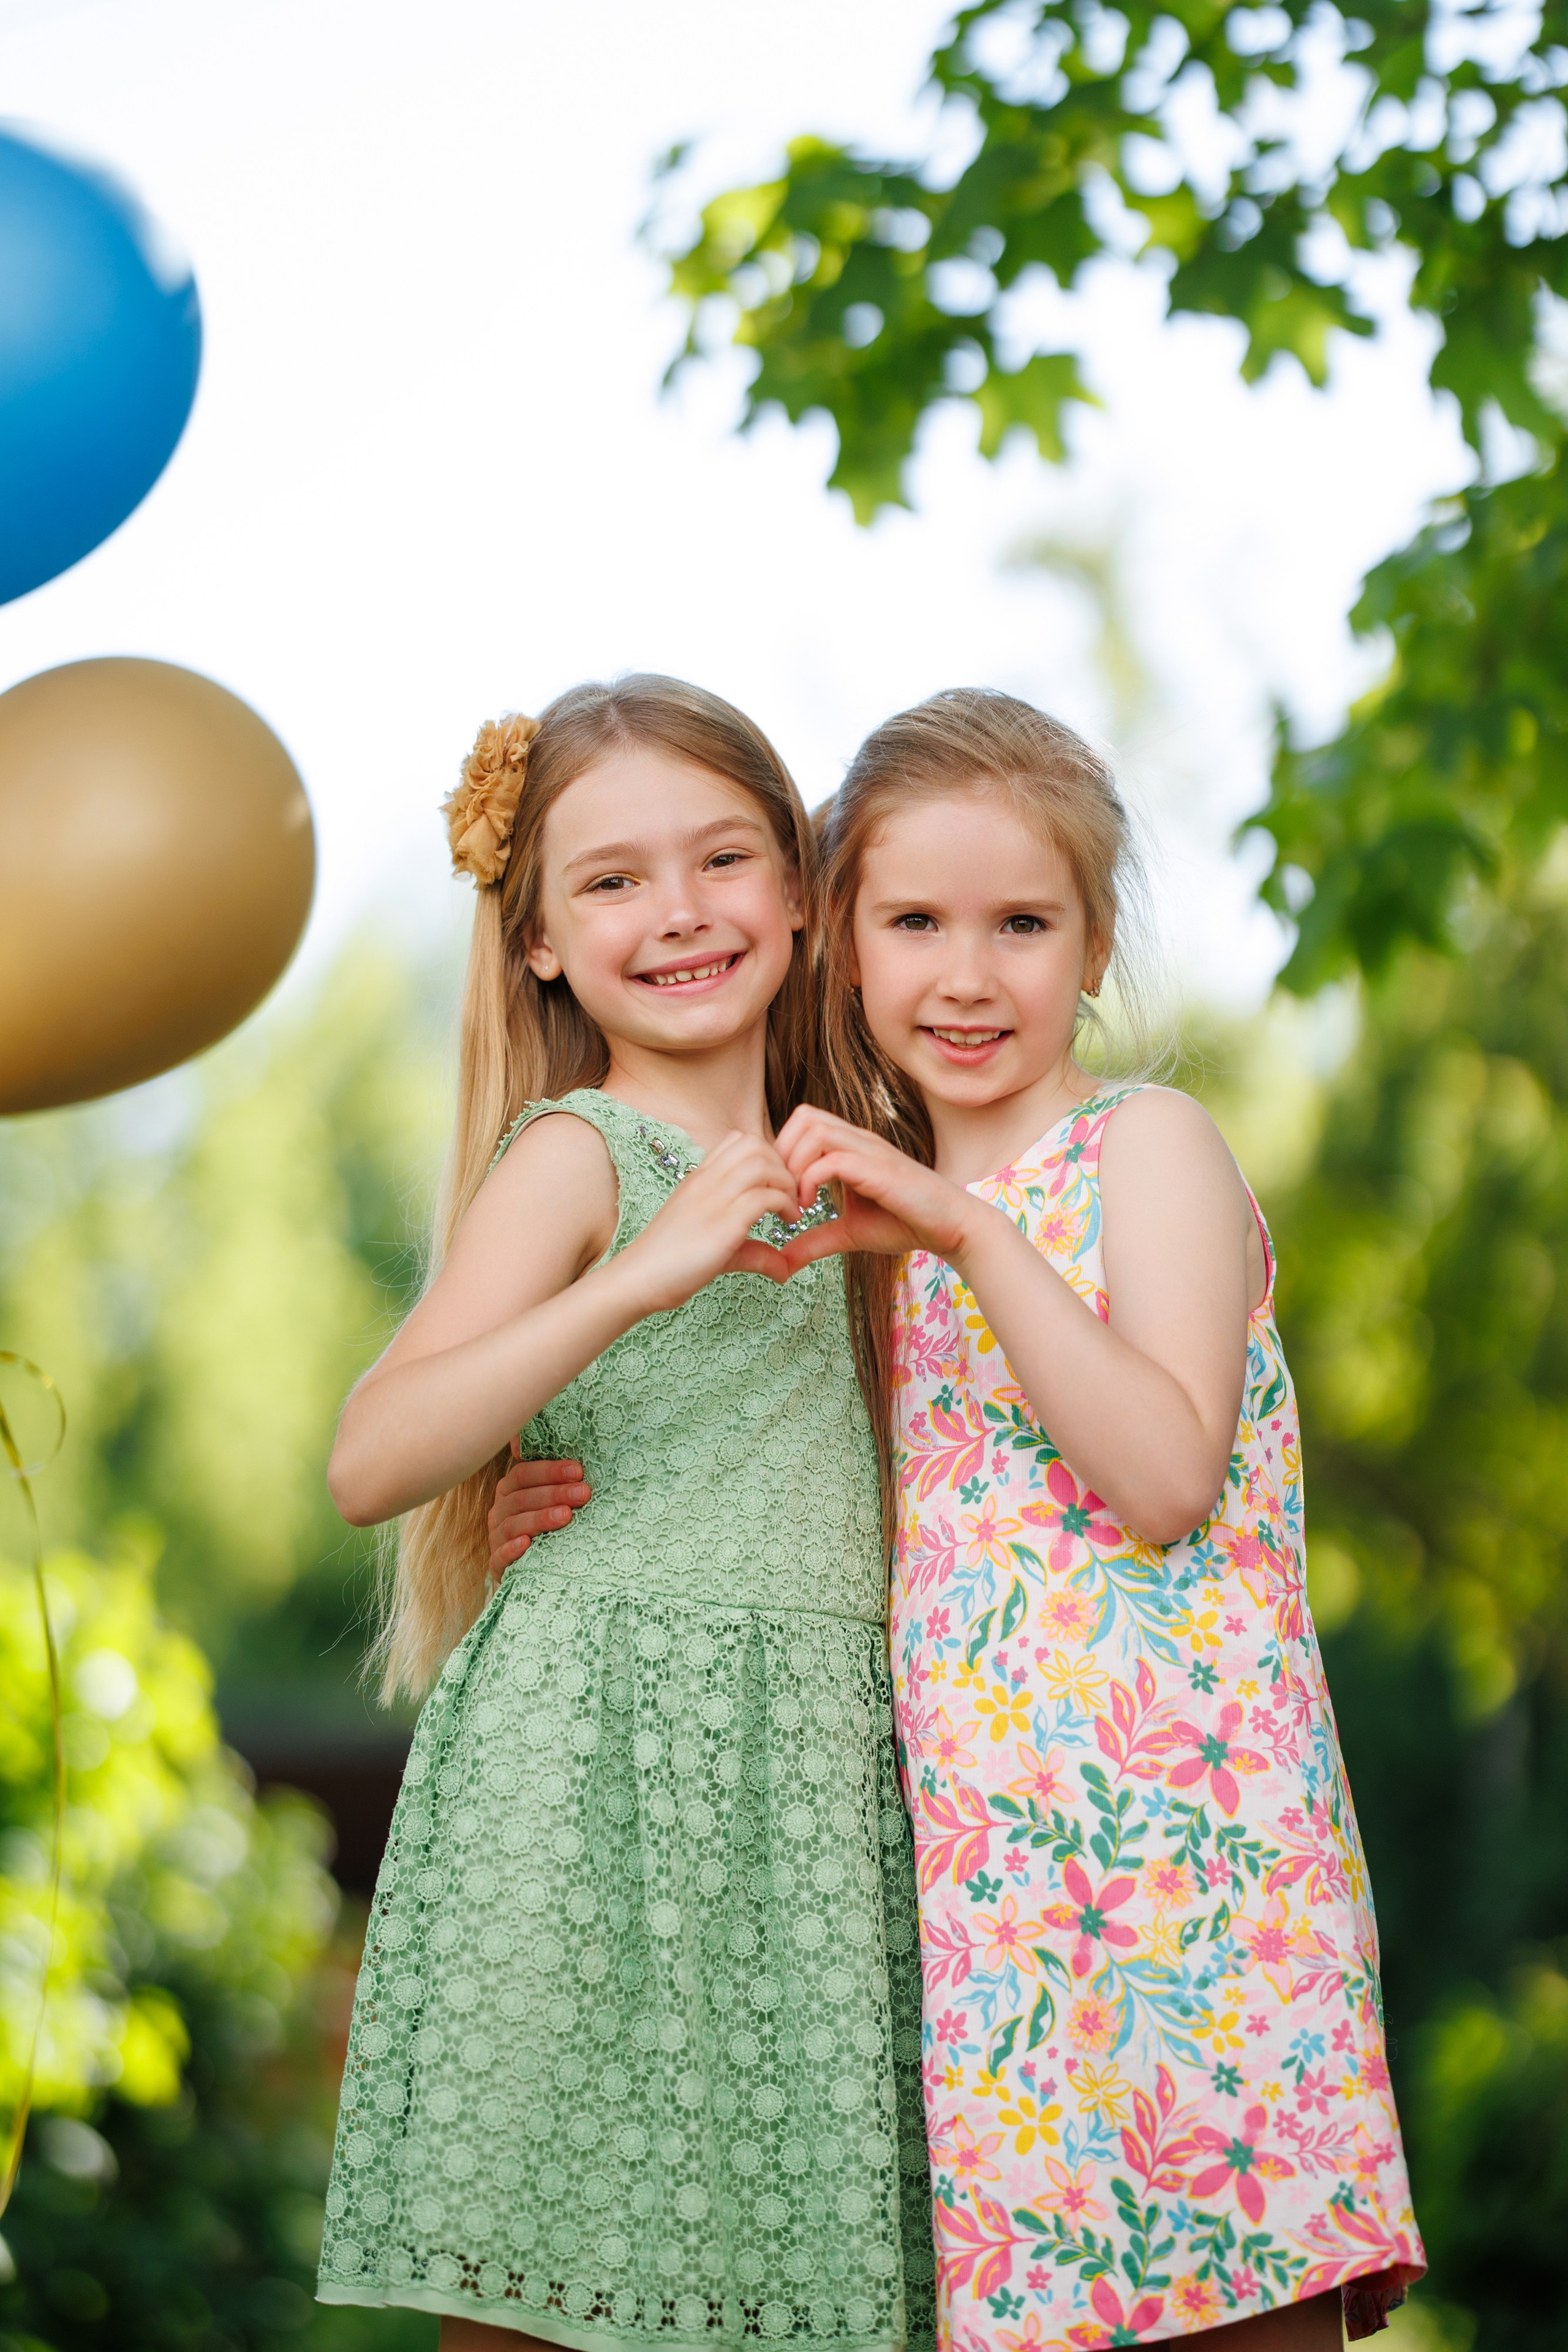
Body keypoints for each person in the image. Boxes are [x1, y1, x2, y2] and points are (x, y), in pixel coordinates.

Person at [489, 687, 1425, 2351]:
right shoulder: (868, 1231)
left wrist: (970, 1237)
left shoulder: (1144, 1148)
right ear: (840, 942)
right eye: (917, 922)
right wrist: (566, 1498)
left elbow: (1161, 1475)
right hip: (995, 1933)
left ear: (1095, 937)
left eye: (1023, 923)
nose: (969, 975)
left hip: (1198, 1897)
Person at [317, 676, 935, 2352]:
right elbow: (374, 1458)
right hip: (595, 1766)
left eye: (722, 859)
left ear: (803, 895)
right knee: (547, 2278)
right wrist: (640, 1281)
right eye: (609, 881)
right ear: (537, 942)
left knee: (801, 2288)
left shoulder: (885, 1166)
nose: (676, 914)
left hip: (811, 1784)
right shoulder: (579, 1156)